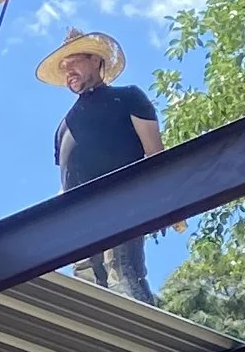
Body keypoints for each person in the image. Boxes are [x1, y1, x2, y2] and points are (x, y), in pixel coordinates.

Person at [38, 29, 162, 298]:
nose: (68, 70)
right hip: (79, 221)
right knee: (87, 289)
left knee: (124, 275)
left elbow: (155, 154)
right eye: (64, 67)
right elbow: (66, 179)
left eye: (74, 62)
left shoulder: (128, 97)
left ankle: (140, 331)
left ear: (95, 60)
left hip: (122, 206)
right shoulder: (64, 125)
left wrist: (163, 201)